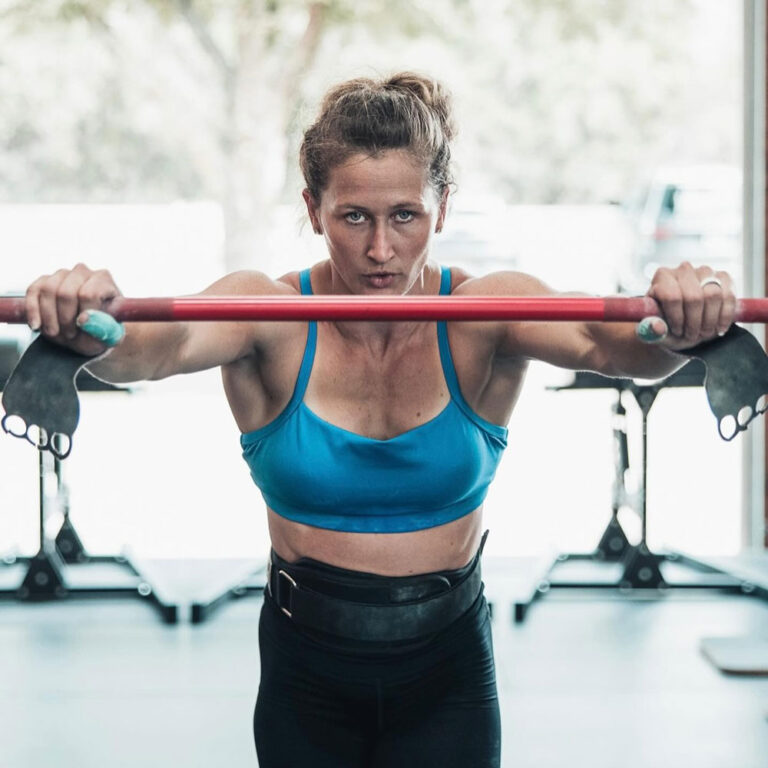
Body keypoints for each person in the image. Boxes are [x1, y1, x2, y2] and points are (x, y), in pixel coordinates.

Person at [23, 73, 736, 767]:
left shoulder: (485, 313)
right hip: (305, 672)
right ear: (314, 210)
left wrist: (683, 323)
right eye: (354, 217)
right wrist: (92, 327)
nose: (380, 251)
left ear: (442, 208)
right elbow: (157, 347)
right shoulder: (269, 315)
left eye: (405, 215)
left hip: (449, 671)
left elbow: (614, 347)